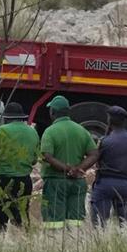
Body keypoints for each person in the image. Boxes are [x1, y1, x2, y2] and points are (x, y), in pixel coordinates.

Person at [74, 106, 127, 227]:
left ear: (109, 121)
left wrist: (79, 169)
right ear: (124, 121)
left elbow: (96, 159)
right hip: (125, 184)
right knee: (126, 224)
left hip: (105, 183)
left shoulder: (105, 141)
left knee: (99, 223)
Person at [39, 95, 97, 229]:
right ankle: (74, 242)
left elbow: (47, 156)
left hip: (55, 181)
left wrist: (67, 169)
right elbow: (94, 154)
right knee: (75, 220)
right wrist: (79, 169)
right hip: (77, 182)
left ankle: (55, 242)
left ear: (52, 112)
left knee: (53, 220)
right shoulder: (81, 130)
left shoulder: (50, 132)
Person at [0, 102, 40, 229]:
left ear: (5, 118)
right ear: (22, 117)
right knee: (21, 216)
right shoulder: (32, 132)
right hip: (23, 180)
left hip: (0, 180)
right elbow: (34, 160)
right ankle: (20, 242)